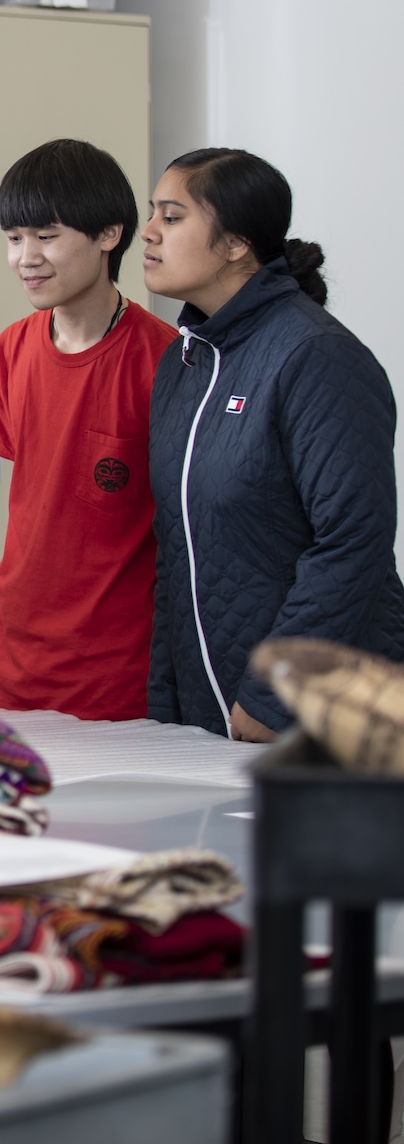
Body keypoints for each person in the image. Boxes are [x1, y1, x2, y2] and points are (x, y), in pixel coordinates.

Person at [144, 148, 404, 740]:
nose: (149, 233)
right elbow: (177, 551)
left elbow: (353, 540)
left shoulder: (316, 355)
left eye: (172, 216)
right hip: (210, 721)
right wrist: (165, 707)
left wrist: (270, 700)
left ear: (235, 243)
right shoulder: (182, 363)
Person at [0, 140, 177, 720]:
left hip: (113, 673)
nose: (25, 257)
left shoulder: (166, 361)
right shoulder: (11, 349)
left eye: (46, 236)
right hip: (6, 662)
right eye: (14, 238)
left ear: (108, 234)